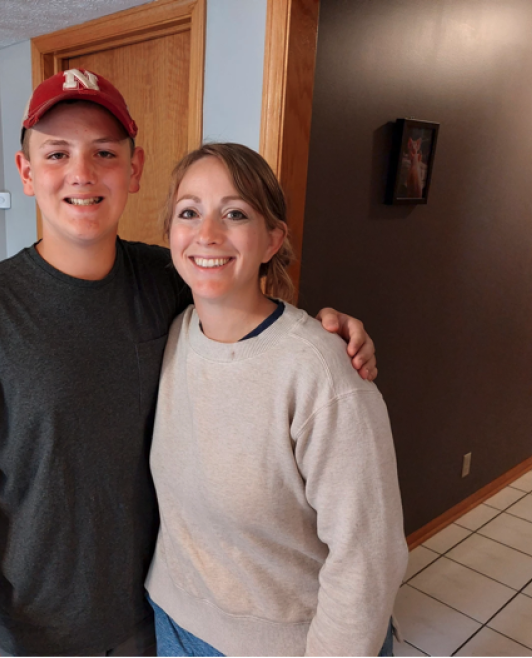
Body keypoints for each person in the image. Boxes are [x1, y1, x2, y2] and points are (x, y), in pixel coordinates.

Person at [0, 70, 379, 657]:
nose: (82, 173)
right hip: (32, 626)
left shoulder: (169, 279)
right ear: (27, 173)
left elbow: (251, 320)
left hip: (156, 614)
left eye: (104, 152)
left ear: (133, 170)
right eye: (57, 154)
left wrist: (328, 328)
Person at [145, 143, 407, 657]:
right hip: (174, 624)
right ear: (170, 235)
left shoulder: (320, 371)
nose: (207, 234)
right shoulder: (174, 330)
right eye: (189, 212)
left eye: (235, 213)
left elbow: (367, 558)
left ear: (272, 240)